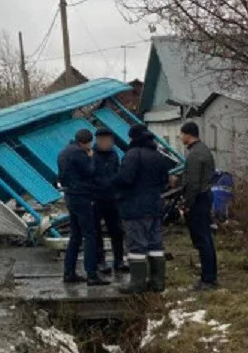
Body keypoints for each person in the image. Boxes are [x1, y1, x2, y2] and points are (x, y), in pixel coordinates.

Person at [112, 124, 172, 294]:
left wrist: (113, 181)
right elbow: (164, 181)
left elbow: (125, 179)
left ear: (133, 138)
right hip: (154, 207)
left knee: (137, 246)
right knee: (155, 245)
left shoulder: (132, 155)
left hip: (135, 207)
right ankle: (157, 282)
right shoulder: (157, 156)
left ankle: (137, 283)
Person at [57, 129, 109, 287]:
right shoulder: (80, 153)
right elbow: (90, 171)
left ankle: (69, 272)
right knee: (90, 234)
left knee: (75, 235)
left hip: (70, 196)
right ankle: (92, 274)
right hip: (82, 196)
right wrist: (91, 158)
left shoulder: (64, 152)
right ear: (87, 142)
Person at [179, 121, 218, 290]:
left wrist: (187, 203)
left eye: (181, 134)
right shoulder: (204, 150)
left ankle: (208, 279)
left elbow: (193, 183)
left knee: (202, 239)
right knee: (206, 238)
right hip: (205, 196)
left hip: (199, 199)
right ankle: (210, 276)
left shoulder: (194, 154)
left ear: (188, 134)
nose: (181, 137)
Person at [91, 127, 127, 275]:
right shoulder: (91, 155)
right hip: (96, 199)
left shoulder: (114, 155)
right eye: (104, 140)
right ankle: (100, 261)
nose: (107, 143)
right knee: (96, 232)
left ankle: (119, 260)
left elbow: (117, 173)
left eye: (109, 140)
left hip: (113, 199)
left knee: (117, 231)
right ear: (98, 141)